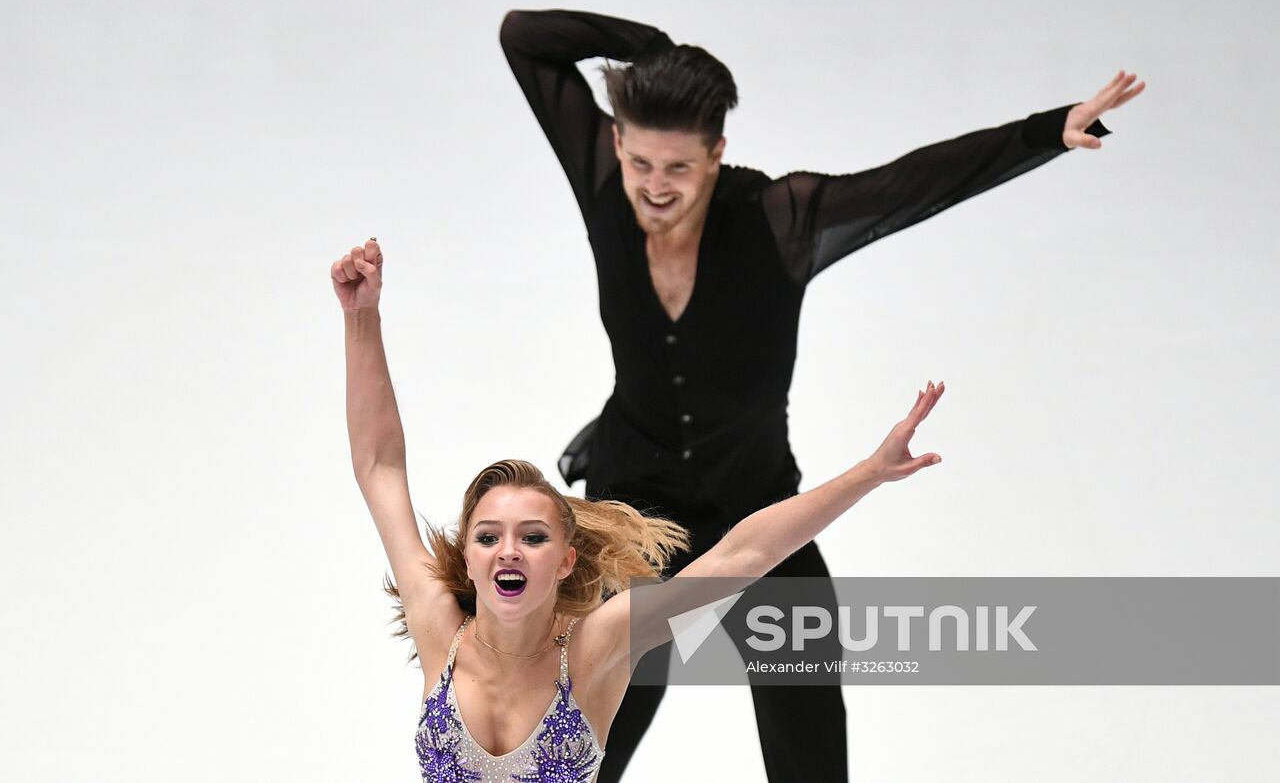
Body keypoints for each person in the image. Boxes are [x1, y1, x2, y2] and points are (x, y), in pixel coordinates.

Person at [498, 8, 1144, 781]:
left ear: (716, 155)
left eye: (677, 168)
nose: (654, 188)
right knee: (578, 756)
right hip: (631, 515)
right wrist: (653, 50)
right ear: (618, 146)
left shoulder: (780, 222)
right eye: (640, 163)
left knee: (809, 747)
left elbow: (909, 185)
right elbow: (522, 37)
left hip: (759, 512)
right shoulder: (605, 178)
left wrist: (1045, 132)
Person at [333, 238, 947, 783]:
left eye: (533, 537)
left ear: (568, 560)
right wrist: (362, 318)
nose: (509, 550)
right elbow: (379, 468)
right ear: (467, 559)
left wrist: (870, 472)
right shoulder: (439, 628)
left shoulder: (598, 646)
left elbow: (743, 553)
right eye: (488, 537)